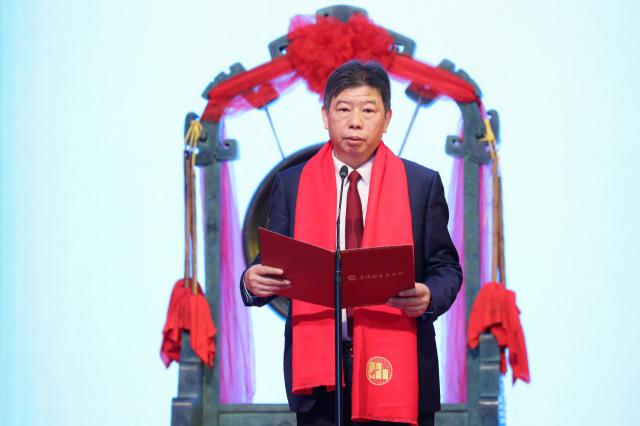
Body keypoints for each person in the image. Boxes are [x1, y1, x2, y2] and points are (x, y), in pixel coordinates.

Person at [240, 60, 462, 426]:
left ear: (387, 119)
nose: (355, 122)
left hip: (402, 368)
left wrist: (429, 296)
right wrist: (251, 282)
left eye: (368, 111)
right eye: (343, 109)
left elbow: (446, 268)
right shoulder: (291, 185)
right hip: (321, 379)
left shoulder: (421, 185)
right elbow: (271, 264)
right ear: (325, 116)